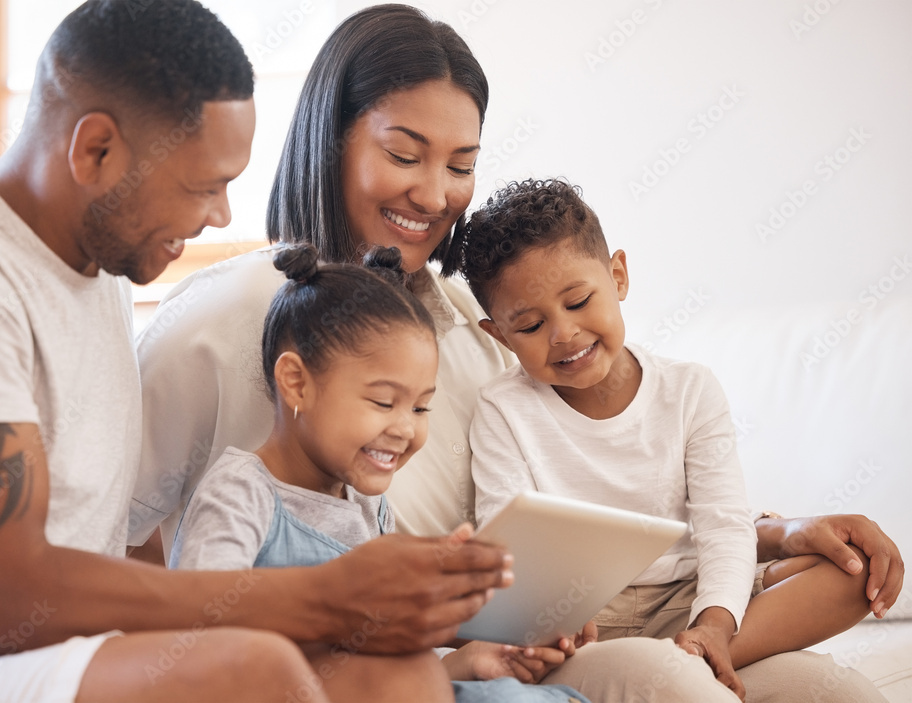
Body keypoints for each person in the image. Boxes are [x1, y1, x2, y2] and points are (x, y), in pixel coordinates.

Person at [131, 3, 904, 702]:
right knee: (668, 679)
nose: (436, 195)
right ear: (330, 142)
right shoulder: (225, 319)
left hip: (516, 635)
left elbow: (602, 505)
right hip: (422, 662)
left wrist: (783, 530)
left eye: (461, 165)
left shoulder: (478, 324)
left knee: (819, 686)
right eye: (406, 155)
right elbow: (122, 546)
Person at [0, 2, 512, 702]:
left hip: (69, 650)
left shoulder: (94, 260)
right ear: (96, 150)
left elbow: (121, 541)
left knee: (398, 672)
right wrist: (323, 596)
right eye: (204, 186)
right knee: (253, 668)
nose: (222, 215)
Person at [454, 177, 883, 700]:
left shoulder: (689, 389)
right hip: (586, 621)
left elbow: (724, 526)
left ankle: (701, 652)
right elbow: (516, 547)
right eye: (530, 326)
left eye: (579, 301)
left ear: (617, 276)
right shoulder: (503, 408)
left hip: (687, 599)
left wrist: (716, 624)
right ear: (498, 334)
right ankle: (675, 665)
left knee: (854, 573)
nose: (562, 334)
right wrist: (556, 620)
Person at [171, 242, 592, 702]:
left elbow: (384, 651)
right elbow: (202, 633)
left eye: (420, 406)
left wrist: (470, 655)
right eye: (382, 402)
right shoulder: (239, 494)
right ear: (296, 382)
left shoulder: (368, 503)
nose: (406, 428)